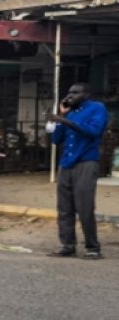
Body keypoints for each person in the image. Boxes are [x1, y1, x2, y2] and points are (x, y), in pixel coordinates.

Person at [47, 83, 108, 260]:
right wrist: (60, 117)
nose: (70, 95)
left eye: (75, 92)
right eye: (69, 92)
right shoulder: (70, 112)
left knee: (85, 206)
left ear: (86, 94)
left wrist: (66, 121)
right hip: (66, 163)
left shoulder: (97, 108)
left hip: (86, 162)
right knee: (64, 208)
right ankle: (67, 245)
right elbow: (56, 140)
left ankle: (92, 247)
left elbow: (94, 131)